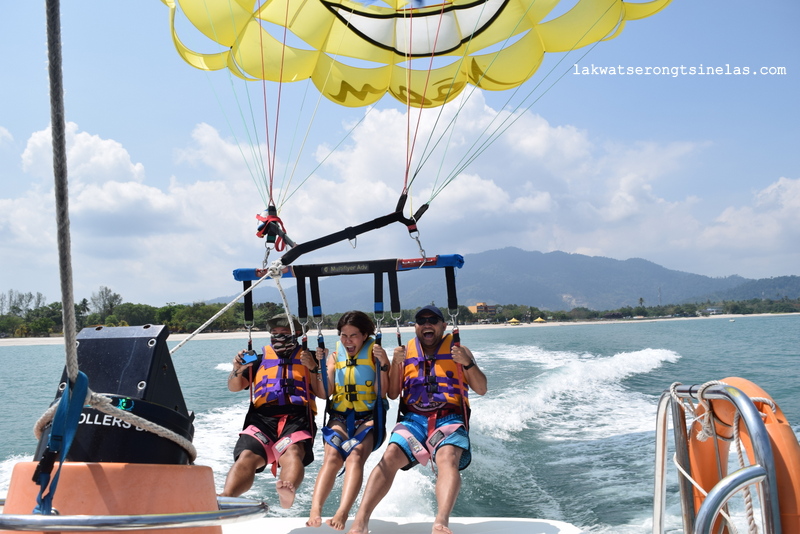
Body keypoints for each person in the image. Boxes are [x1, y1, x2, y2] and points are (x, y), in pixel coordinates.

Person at [346, 305, 488, 534]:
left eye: (433, 320)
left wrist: (467, 363)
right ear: (415, 328)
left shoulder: (459, 350)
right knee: (390, 455)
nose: (427, 324)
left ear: (443, 325)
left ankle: (441, 522)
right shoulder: (405, 352)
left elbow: (481, 389)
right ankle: (360, 521)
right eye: (421, 321)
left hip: (448, 418)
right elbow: (392, 394)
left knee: (447, 457)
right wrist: (396, 363)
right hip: (413, 419)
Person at [220, 313, 326, 509]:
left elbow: (323, 393)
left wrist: (313, 368)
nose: (278, 337)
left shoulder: (311, 358)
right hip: (262, 418)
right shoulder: (258, 360)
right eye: (274, 333)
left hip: (296, 417)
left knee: (292, 451)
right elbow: (234, 387)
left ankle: (287, 489)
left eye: (284, 333)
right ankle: (227, 496)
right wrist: (236, 368)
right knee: (248, 455)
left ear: (298, 334)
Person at [307, 311, 390, 530]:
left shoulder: (375, 352)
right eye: (344, 335)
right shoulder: (335, 355)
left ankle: (342, 512)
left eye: (353, 335)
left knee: (354, 456)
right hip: (340, 416)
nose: (348, 341)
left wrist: (383, 364)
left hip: (369, 418)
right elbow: (327, 392)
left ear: (364, 335)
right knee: (332, 457)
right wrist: (320, 367)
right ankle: (315, 509)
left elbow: (386, 393)